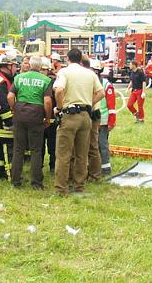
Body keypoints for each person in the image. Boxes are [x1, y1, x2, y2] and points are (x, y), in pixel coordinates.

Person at [52, 49, 103, 196]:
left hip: (69, 115)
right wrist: (89, 102)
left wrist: (60, 107)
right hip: (86, 116)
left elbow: (59, 90)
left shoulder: (64, 72)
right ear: (80, 59)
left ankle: (61, 189)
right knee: (82, 154)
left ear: (67, 58)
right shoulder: (90, 73)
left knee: (63, 154)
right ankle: (79, 186)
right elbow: (101, 93)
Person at [7, 56, 53, 189]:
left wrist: (14, 108)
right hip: (36, 115)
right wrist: (48, 117)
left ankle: (15, 181)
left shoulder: (19, 77)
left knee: (18, 149)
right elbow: (48, 101)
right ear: (40, 67)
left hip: (20, 114)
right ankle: (36, 183)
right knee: (36, 150)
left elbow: (10, 96)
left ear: (29, 65)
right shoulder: (46, 80)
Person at [0, 50, 18, 180]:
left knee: (0, 151)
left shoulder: (2, 78)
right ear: (8, 66)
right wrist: (10, 122)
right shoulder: (1, 82)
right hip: (3, 122)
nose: (16, 68)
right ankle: (9, 176)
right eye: (14, 65)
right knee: (7, 149)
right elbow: (2, 104)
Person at [88, 59, 116, 179]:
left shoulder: (106, 85)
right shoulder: (90, 83)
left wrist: (111, 121)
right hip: (92, 118)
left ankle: (106, 167)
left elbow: (112, 105)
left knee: (102, 144)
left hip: (103, 120)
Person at [40, 58, 59, 173]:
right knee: (39, 146)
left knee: (53, 146)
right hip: (39, 119)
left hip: (51, 119)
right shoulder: (42, 82)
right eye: (40, 69)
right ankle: (39, 166)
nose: (41, 72)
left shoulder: (54, 82)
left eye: (44, 70)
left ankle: (53, 166)